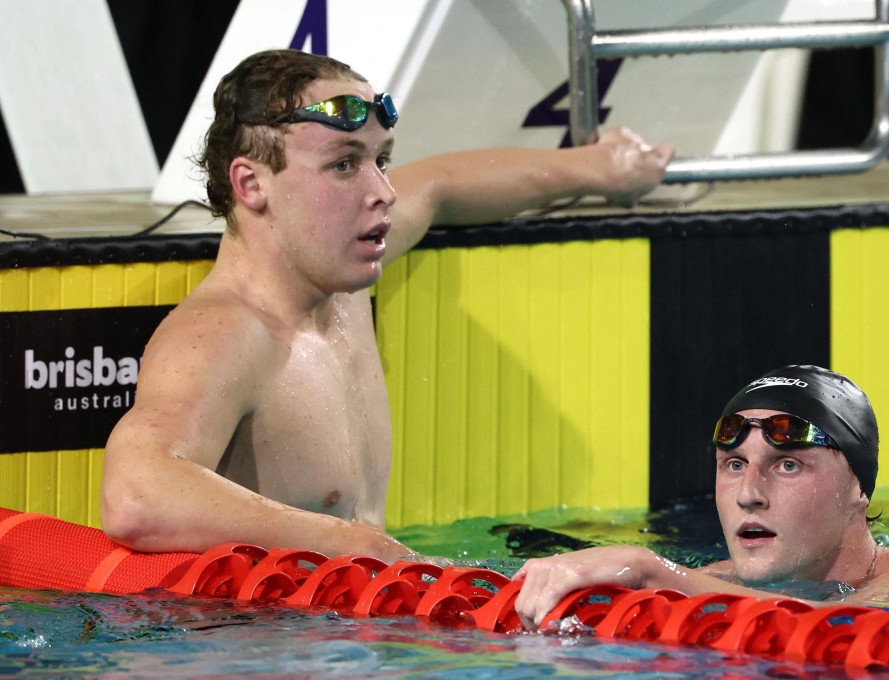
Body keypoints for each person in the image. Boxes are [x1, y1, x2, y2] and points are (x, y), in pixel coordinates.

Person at [100, 49, 673, 562]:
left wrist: (597, 169)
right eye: (344, 164)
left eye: (381, 160)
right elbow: (136, 495)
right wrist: (351, 542)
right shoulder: (226, 333)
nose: (383, 191)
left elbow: (441, 184)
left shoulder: (342, 286)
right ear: (251, 185)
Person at [513, 365, 889, 628]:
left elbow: (839, 626)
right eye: (734, 464)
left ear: (858, 489)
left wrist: (647, 568)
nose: (749, 495)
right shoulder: (707, 579)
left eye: (787, 465)